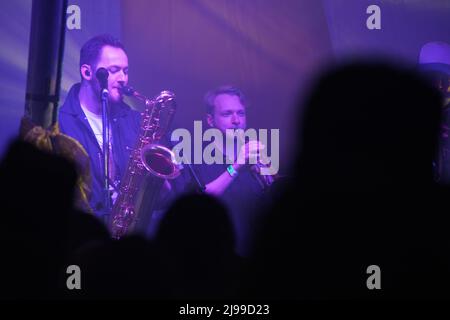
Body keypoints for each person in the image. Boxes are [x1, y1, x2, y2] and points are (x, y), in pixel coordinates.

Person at [182, 85, 274, 257]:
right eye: (227, 114)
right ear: (210, 120)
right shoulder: (195, 155)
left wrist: (267, 177)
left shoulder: (253, 157)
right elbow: (202, 202)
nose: (236, 121)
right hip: (216, 256)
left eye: (240, 113)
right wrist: (236, 166)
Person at [59, 34, 141, 225]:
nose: (123, 79)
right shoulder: (60, 124)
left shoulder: (133, 120)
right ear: (87, 73)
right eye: (114, 70)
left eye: (125, 71)